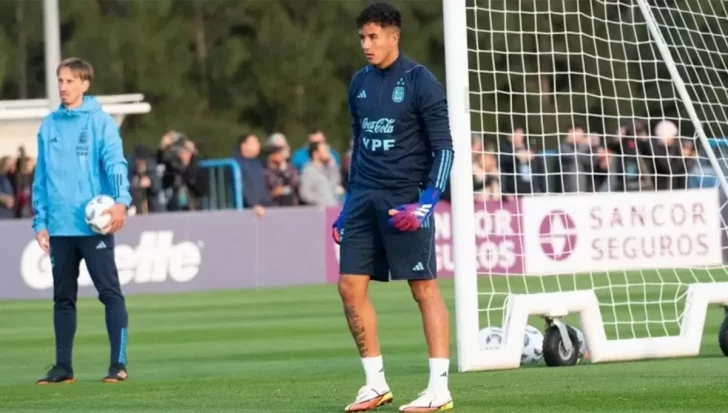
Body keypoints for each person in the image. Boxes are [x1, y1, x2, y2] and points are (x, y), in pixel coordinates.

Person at [332, 3, 455, 412]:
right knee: (349, 287)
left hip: (405, 199)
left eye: (373, 37)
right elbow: (359, 147)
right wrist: (346, 206)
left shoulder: (422, 82)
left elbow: (444, 149)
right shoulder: (359, 83)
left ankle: (439, 389)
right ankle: (374, 384)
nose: (366, 45)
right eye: (362, 38)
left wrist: (427, 202)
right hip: (364, 197)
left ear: (393, 36)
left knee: (423, 289)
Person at [32, 57, 131, 384]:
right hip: (59, 227)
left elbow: (116, 163)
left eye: (70, 81)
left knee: (110, 293)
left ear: (85, 84)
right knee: (62, 298)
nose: (63, 87)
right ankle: (63, 368)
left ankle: (118, 364)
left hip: (93, 225)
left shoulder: (100, 122)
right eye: (60, 80)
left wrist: (121, 203)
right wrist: (40, 219)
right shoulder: (48, 125)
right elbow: (41, 177)